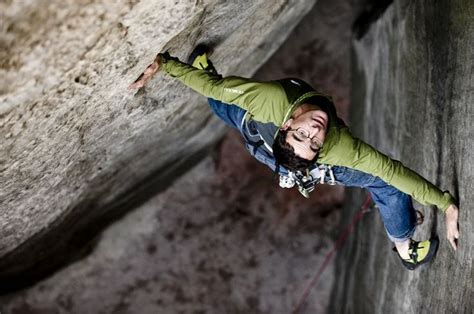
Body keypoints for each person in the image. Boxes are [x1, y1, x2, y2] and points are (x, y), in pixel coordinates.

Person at [128, 46, 460, 270]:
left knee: (225, 105)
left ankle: (206, 67)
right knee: (387, 187)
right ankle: (405, 249)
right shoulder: (314, 134)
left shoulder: (295, 119)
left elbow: (214, 90)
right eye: (311, 141)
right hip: (266, 145)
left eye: (308, 138)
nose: (315, 131)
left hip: (265, 136)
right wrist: (445, 205)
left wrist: (166, 63)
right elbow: (390, 174)